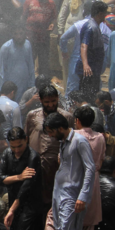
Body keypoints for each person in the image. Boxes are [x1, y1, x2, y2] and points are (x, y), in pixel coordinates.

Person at [43, 113, 95, 230]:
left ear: (60, 129)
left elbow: (90, 168)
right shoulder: (62, 142)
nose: (50, 135)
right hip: (58, 192)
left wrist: (83, 196)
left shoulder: (80, 141)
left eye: (51, 132)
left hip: (73, 194)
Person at [25, 85, 74, 216]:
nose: (51, 105)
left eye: (53, 101)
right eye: (47, 102)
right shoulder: (32, 116)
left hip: (56, 166)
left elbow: (71, 141)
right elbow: (26, 138)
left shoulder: (66, 117)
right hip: (35, 164)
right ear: (40, 100)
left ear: (57, 98)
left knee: (55, 199)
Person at [22, 0, 55, 75]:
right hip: (30, 37)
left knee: (44, 62)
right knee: (29, 60)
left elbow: (54, 18)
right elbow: (23, 18)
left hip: (44, 38)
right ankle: (28, 82)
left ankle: (42, 83)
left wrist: (52, 25)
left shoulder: (51, 4)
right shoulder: (29, 1)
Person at [77, 0, 109, 98]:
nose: (106, 15)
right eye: (105, 13)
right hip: (89, 70)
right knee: (87, 96)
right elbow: (84, 46)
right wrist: (86, 65)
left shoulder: (96, 26)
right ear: (100, 13)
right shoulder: (90, 27)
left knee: (93, 94)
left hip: (94, 69)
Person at [0, 26, 34, 100]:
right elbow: (1, 71)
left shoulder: (28, 44)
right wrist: (1, 89)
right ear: (12, 35)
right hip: (11, 87)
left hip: (25, 85)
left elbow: (31, 66)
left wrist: (31, 84)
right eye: (16, 34)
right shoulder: (5, 48)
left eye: (21, 33)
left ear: (25, 33)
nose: (19, 36)